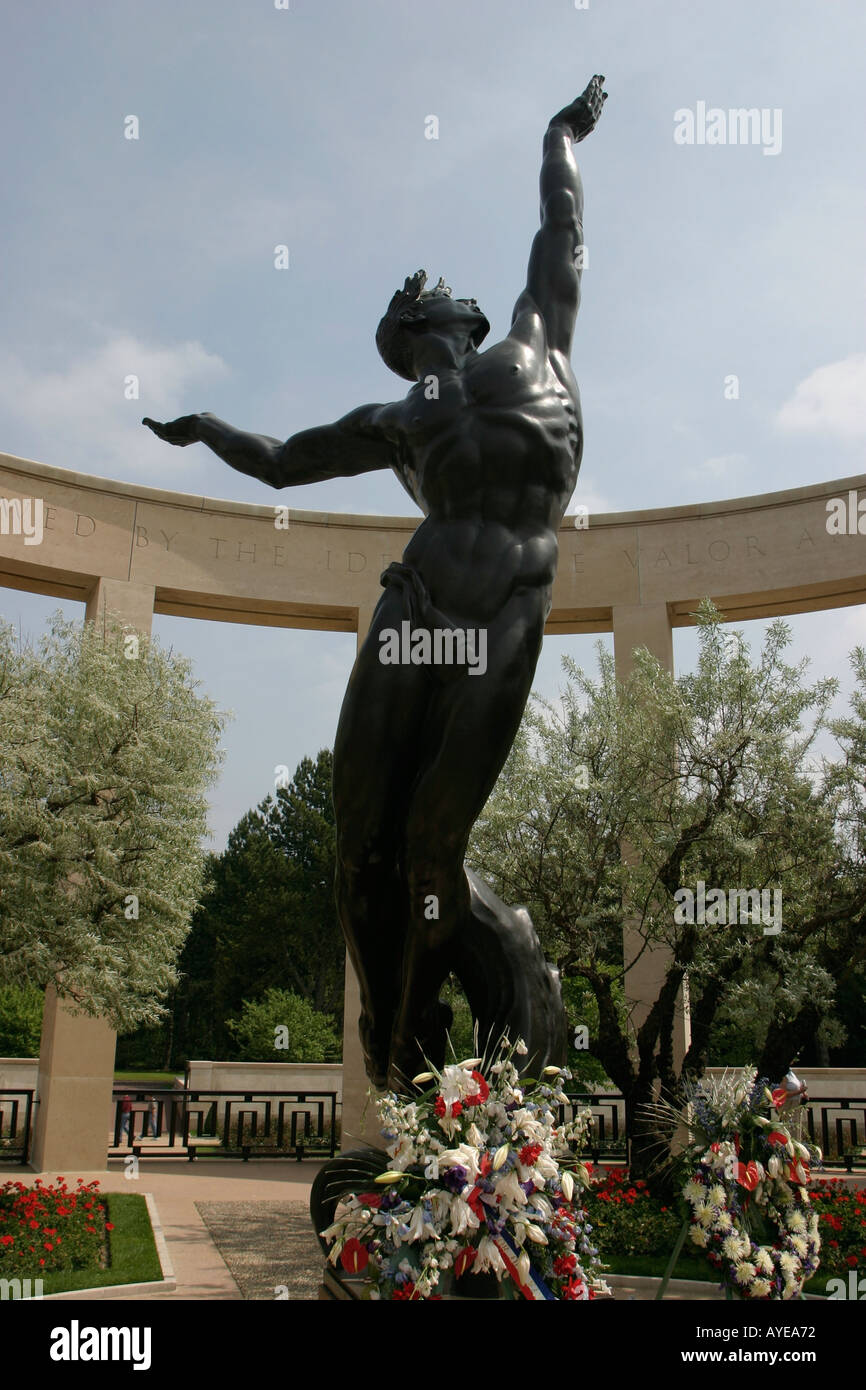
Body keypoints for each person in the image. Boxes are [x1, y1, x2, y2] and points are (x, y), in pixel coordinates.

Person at [143, 77, 607, 1090]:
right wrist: (205, 428)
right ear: (406, 331)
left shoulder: (539, 341)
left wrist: (559, 132)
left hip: (507, 616)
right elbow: (277, 460)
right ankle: (395, 1061)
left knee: (435, 841)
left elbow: (560, 224)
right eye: (407, 303)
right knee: (360, 848)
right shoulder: (396, 419)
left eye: (427, 293)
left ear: (459, 315)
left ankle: (470, 1033)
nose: (421, 298)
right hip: (415, 611)